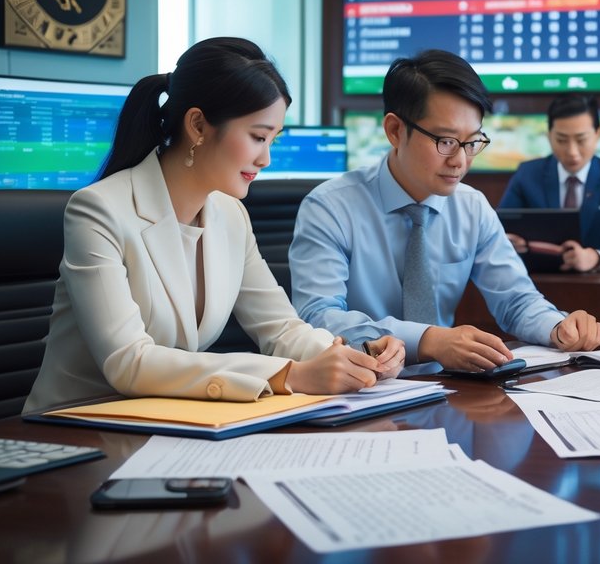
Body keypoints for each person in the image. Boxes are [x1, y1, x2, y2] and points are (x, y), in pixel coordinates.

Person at [25, 38, 402, 413]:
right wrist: (289, 376)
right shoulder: (98, 211)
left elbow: (282, 329)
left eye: (273, 139)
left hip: (168, 423)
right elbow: (130, 361)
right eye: (257, 137)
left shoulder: (230, 215)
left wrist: (356, 359)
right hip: (76, 430)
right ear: (198, 125)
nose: (266, 158)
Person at [289, 49, 600, 373]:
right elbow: (317, 317)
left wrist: (558, 326)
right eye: (446, 141)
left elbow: (516, 299)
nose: (460, 161)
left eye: (472, 142)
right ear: (396, 131)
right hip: (357, 389)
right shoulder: (329, 207)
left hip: (443, 392)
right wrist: (428, 340)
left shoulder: (472, 207)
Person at [499, 94, 600, 273]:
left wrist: (596, 257)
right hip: (537, 282)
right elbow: (499, 232)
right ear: (549, 136)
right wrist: (509, 241)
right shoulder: (527, 175)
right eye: (561, 140)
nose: (572, 152)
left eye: (581, 140)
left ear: (597, 134)